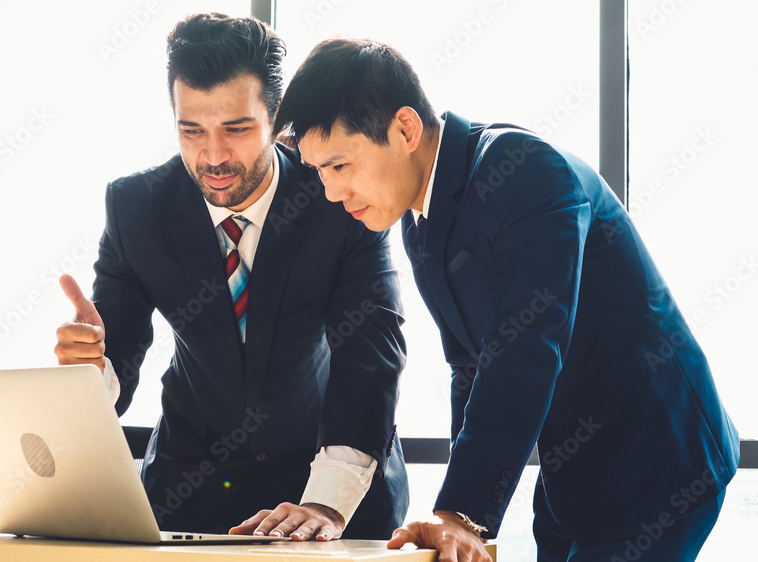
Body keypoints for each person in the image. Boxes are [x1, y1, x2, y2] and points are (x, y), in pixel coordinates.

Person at [272, 38, 739, 560]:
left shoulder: (524, 171)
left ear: (405, 129)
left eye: (339, 165)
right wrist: (464, 518)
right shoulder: (418, 224)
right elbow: (470, 368)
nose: (332, 193)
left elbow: (525, 351)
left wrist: (462, 513)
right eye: (318, 172)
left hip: (657, 461)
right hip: (572, 470)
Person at [54, 15, 409, 541]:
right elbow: (119, 353)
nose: (213, 156)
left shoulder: (340, 196)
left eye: (237, 129)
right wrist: (92, 367)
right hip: (192, 487)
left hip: (327, 481)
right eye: (191, 130)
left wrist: (328, 503)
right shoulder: (135, 208)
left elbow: (371, 355)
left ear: (277, 122)